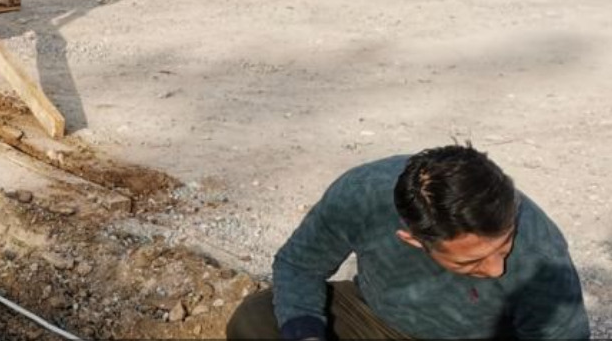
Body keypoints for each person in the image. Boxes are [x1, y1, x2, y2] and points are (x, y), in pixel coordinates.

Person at [226, 144, 590, 340]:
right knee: (256, 319)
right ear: (412, 240)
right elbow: (299, 266)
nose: (496, 269)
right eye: (470, 262)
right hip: (378, 320)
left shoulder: (541, 251)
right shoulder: (361, 194)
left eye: (504, 245)